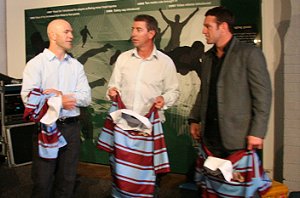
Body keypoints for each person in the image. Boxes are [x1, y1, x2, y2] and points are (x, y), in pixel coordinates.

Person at [188, 6, 272, 196]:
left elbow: (263, 95)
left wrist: (258, 132)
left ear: (223, 27)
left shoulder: (249, 54)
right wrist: (194, 119)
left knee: (238, 191)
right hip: (210, 138)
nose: (203, 31)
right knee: (212, 190)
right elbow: (204, 90)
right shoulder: (208, 57)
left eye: (208, 26)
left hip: (237, 140)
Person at [101, 14, 179, 197]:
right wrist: (111, 91)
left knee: (149, 174)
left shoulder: (165, 62)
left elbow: (174, 92)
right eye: (132, 29)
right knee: (119, 171)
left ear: (151, 33)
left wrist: (164, 99)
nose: (133, 33)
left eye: (138, 29)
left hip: (149, 131)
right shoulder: (123, 59)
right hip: (122, 129)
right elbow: (113, 85)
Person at [21, 19, 91, 198]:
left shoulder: (76, 66)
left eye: (71, 32)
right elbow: (29, 99)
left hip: (72, 129)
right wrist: (60, 100)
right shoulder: (36, 64)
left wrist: (57, 96)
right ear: (52, 35)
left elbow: (86, 98)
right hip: (46, 129)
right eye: (67, 32)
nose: (72, 36)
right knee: (42, 181)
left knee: (67, 180)